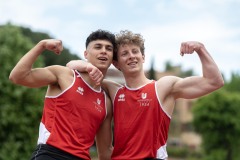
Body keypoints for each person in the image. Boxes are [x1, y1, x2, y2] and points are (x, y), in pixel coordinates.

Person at [67, 30, 224, 160]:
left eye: (135, 51)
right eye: (124, 54)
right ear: (116, 64)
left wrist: (200, 49)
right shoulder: (114, 91)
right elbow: (71, 67)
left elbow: (214, 81)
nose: (131, 56)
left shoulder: (163, 87)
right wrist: (88, 66)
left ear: (143, 57)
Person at [9, 29, 116, 160]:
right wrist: (41, 45)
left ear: (112, 58)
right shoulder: (65, 75)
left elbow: (105, 152)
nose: (104, 51)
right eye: (98, 47)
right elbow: (17, 77)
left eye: (109, 48)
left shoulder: (106, 102)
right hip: (50, 154)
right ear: (86, 54)